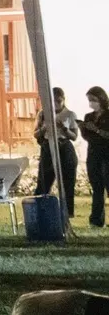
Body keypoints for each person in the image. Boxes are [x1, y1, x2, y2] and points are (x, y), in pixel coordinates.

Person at [35, 86, 81, 222]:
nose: (56, 104)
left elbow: (74, 136)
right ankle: (40, 210)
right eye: (53, 101)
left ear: (63, 100)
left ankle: (68, 212)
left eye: (58, 101)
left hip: (64, 146)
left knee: (68, 181)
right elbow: (36, 133)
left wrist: (64, 129)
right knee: (44, 180)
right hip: (48, 147)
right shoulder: (43, 113)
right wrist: (44, 128)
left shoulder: (70, 114)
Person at [83, 86, 109, 229]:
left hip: (106, 154)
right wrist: (84, 128)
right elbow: (88, 136)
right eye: (89, 100)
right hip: (93, 154)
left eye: (93, 100)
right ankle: (96, 220)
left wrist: (97, 130)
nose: (91, 103)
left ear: (101, 100)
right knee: (97, 187)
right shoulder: (89, 116)